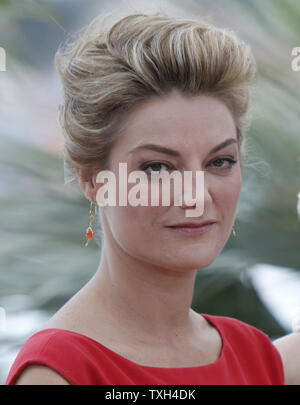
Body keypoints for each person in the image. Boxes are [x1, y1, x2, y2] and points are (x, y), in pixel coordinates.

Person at [5, 10, 300, 385]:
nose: (197, 195)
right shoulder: (58, 374)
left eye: (220, 161)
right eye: (158, 168)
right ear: (92, 180)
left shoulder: (255, 356)